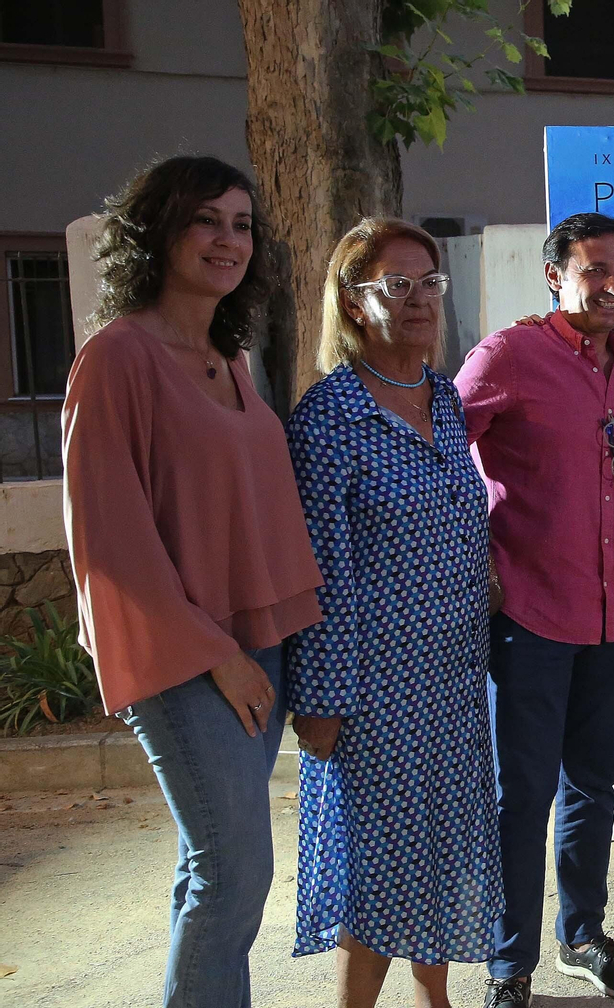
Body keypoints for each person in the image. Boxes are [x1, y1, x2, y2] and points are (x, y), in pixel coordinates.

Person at [61, 155, 325, 1008]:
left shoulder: (230, 355)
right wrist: (219, 655)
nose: (228, 239)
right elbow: (112, 542)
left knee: (208, 862)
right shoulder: (116, 360)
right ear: (158, 230)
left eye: (242, 224)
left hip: (262, 642)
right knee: (236, 870)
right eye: (206, 219)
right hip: (186, 656)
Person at [285, 218, 501, 1007]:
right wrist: (322, 703)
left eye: (429, 284)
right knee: (379, 867)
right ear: (351, 303)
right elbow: (318, 575)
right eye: (397, 285)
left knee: (442, 851)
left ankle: (434, 999)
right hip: (372, 693)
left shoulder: (443, 400)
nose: (419, 301)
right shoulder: (327, 419)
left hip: (451, 682)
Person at [457, 213, 614, 1006]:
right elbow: (438, 453)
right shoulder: (507, 355)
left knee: (594, 787)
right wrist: (478, 559)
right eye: (592, 270)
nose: (610, 285)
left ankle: (584, 934)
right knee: (523, 796)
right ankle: (510, 965)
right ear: (554, 276)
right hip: (533, 617)